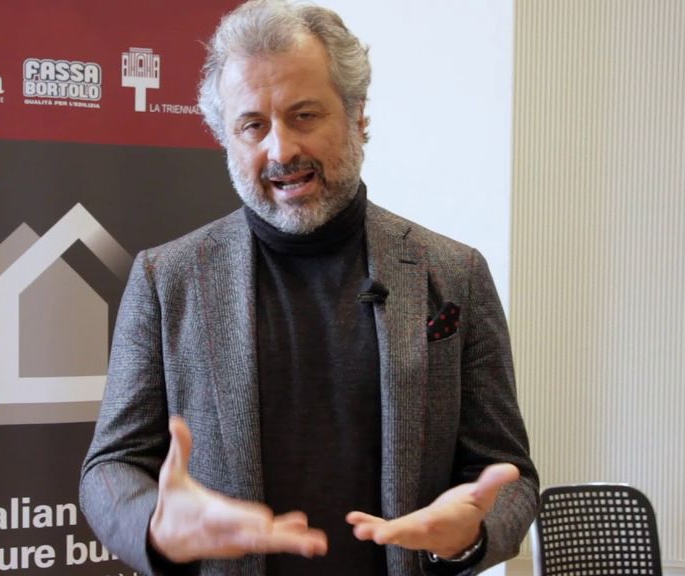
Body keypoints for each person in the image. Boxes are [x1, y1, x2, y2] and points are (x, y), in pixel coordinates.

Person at [80, 1, 538, 575]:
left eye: (303, 116)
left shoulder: (454, 273)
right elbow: (110, 467)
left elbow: (508, 475)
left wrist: (471, 534)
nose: (281, 150)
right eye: (253, 125)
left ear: (358, 116)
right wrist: (153, 524)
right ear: (227, 138)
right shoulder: (165, 278)